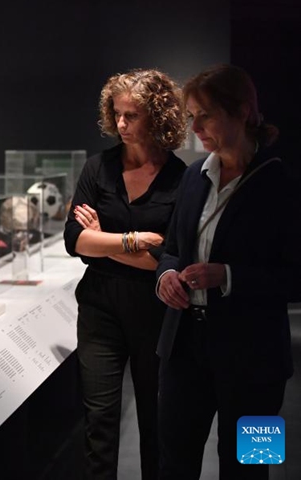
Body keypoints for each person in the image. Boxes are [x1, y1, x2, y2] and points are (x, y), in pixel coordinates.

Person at [156, 64, 301, 479]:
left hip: (257, 360)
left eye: (205, 115)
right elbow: (171, 250)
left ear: (242, 111)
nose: (195, 127)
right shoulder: (192, 177)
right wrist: (166, 276)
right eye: (191, 116)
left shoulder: (284, 182)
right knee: (174, 464)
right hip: (184, 349)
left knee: (252, 467)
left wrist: (229, 276)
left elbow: (295, 275)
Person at [65, 69, 187, 479]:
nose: (120, 124)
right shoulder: (97, 168)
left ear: (157, 117)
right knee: (99, 419)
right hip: (99, 309)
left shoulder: (181, 178)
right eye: (116, 114)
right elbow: (74, 241)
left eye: (131, 115)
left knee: (157, 418)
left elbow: (169, 259)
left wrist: (103, 241)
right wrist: (133, 241)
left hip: (155, 312)